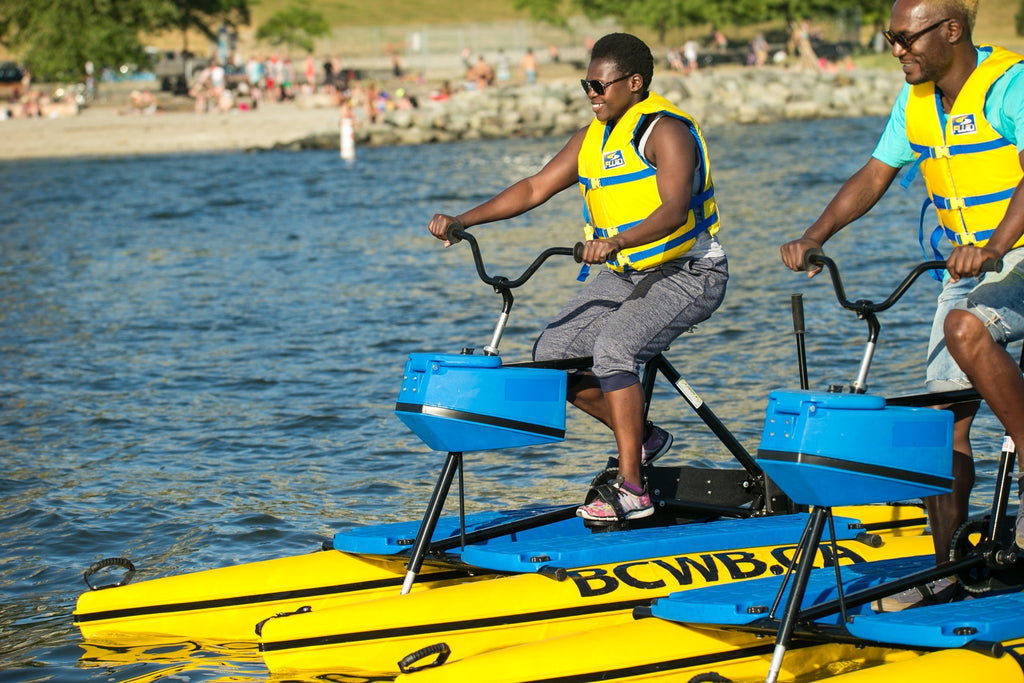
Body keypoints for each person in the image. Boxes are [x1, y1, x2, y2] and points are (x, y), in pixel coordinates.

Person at [780, 0, 1024, 610]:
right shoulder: (915, 101)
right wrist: (814, 237)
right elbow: (874, 175)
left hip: (1013, 254)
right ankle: (948, 570)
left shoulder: (1011, 86)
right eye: (890, 37)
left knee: (965, 330)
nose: (896, 49)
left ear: (952, 30)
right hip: (971, 266)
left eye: (905, 37)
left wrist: (996, 246)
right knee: (940, 420)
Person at [427, 33, 728, 523]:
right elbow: (534, 188)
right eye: (586, 84)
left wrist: (615, 241)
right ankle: (644, 437)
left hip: (690, 271)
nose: (591, 94)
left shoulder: (666, 131)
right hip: (626, 272)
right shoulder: (591, 139)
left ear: (634, 83)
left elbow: (675, 210)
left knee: (614, 349)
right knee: (553, 356)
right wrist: (463, 220)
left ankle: (633, 489)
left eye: (599, 85)